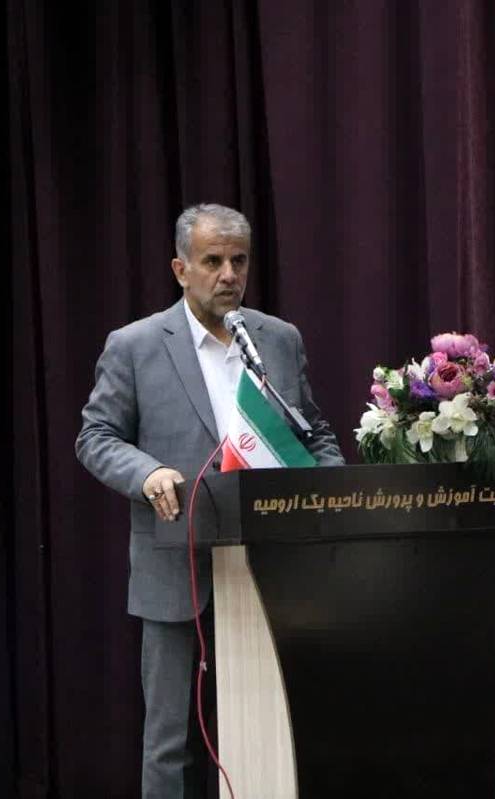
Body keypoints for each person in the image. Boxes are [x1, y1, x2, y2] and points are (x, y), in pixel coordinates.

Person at [76, 203, 344, 798]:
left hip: (273, 568)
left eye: (239, 261)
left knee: (268, 730)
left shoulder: (277, 339)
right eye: (213, 261)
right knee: (171, 742)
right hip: (179, 566)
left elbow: (314, 435)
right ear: (180, 269)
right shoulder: (136, 345)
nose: (229, 275)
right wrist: (147, 473)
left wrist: (330, 494)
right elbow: (95, 437)